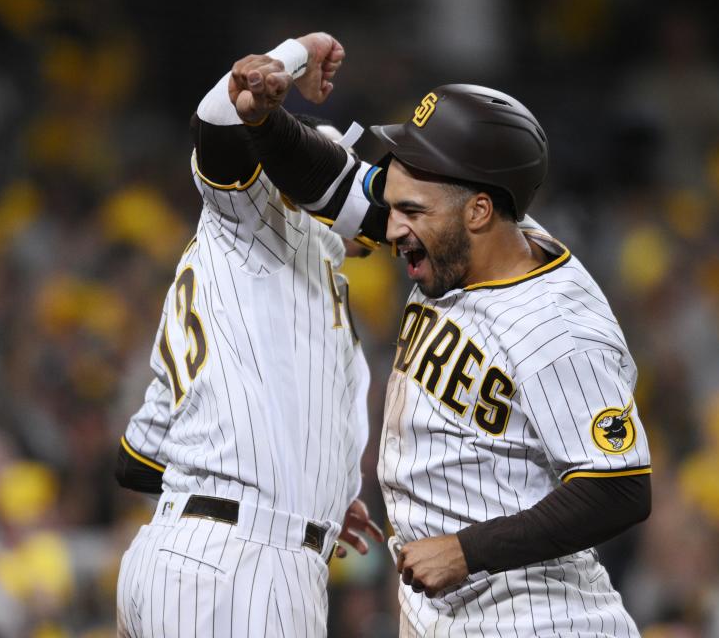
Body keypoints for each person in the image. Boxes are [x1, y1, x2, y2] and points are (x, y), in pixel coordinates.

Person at [231, 64, 653, 635]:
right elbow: (334, 183)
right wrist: (264, 120)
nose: (391, 226)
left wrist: (466, 550)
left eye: (411, 212)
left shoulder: (559, 326)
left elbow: (620, 489)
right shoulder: (458, 239)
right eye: (396, 207)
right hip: (453, 618)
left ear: (478, 211)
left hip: (541, 620)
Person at [113, 32, 383, 637]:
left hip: (199, 556)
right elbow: (220, 121)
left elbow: (137, 462)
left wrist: (308, 491)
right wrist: (291, 56)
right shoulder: (258, 221)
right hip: (239, 570)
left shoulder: (272, 274)